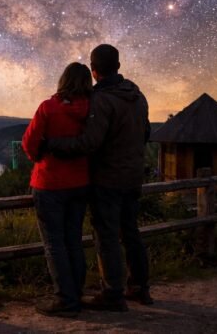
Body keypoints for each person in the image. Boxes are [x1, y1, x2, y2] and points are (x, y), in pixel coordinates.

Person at [45, 44, 152, 311]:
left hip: (108, 179)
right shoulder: (137, 95)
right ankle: (139, 288)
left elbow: (89, 143)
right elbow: (146, 133)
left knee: (106, 236)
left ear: (94, 71)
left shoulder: (102, 99)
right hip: (133, 176)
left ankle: (112, 294)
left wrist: (54, 145)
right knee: (130, 232)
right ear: (118, 66)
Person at [22, 62, 93, 318]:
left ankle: (66, 299)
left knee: (54, 244)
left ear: (63, 81)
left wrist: (40, 158)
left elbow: (29, 143)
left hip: (49, 183)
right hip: (81, 183)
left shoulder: (48, 108)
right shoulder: (93, 110)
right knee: (73, 240)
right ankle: (77, 292)